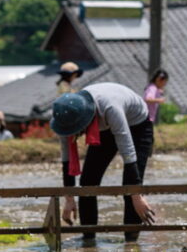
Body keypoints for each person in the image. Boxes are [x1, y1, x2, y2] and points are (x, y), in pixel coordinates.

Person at [51, 83, 157, 242]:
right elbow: (67, 160)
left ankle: (131, 241)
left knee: (129, 187)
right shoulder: (65, 116)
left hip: (137, 125)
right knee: (87, 182)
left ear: (85, 121)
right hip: (104, 126)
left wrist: (136, 195)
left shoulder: (110, 108)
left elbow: (128, 151)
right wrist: (69, 198)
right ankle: (88, 237)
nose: (75, 135)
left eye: (77, 130)